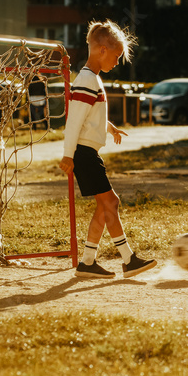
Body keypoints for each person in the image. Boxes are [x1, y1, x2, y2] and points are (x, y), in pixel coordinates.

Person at [59, 19, 157, 279]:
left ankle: (88, 262)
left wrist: (110, 128)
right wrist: (68, 155)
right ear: (102, 50)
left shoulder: (92, 79)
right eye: (115, 56)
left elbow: (92, 117)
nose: (116, 62)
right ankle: (128, 259)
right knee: (111, 202)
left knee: (105, 206)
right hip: (83, 153)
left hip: (88, 153)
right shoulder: (87, 80)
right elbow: (74, 121)